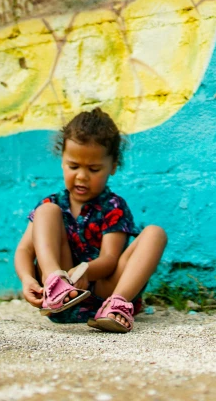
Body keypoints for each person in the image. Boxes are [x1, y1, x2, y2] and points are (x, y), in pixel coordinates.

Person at [14, 108, 167, 332]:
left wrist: (86, 270)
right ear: (62, 161)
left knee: (155, 233)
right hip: (64, 297)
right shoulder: (52, 203)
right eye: (73, 166)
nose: (82, 176)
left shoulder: (113, 206)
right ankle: (54, 282)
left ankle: (117, 305)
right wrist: (28, 280)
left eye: (94, 169)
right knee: (46, 211)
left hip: (105, 290)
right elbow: (24, 251)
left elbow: (110, 259)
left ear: (113, 166)